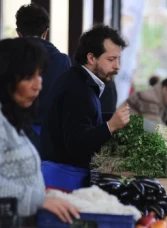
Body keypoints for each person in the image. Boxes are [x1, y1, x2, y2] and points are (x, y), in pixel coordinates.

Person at [40, 25, 130, 192]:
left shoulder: (79, 80)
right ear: (91, 58)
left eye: (118, 59)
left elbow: (83, 116)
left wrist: (111, 118)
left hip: (64, 174)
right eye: (111, 59)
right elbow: (76, 143)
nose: (117, 66)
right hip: (63, 179)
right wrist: (111, 126)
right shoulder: (77, 89)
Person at [0, 38, 79, 224]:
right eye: (29, 78)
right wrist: (38, 199)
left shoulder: (12, 121)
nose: (38, 85)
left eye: (40, 76)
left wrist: (45, 194)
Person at [15, 3, 71, 151]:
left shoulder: (7, 58)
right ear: (45, 32)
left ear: (18, 33)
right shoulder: (62, 61)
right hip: (49, 140)